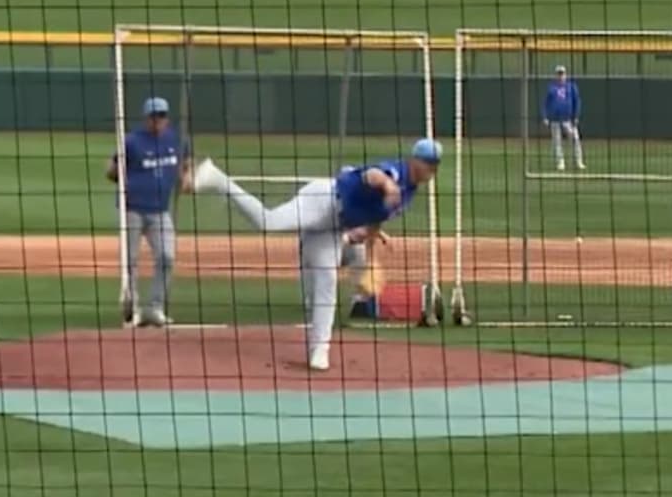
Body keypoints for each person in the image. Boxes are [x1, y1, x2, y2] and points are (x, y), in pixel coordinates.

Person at [191, 139, 440, 371]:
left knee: (327, 282)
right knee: (269, 221)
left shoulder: (409, 194)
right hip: (322, 200)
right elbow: (372, 175)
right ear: (413, 160)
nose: (431, 169)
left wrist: (369, 257)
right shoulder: (396, 172)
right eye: (427, 162)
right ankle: (217, 178)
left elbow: (373, 223)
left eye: (435, 164)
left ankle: (319, 351)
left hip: (334, 227)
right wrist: (387, 185)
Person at [105, 96, 191, 327]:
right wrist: (124, 179)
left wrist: (185, 179)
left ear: (167, 118)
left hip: (160, 211)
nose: (158, 120)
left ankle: (156, 308)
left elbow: (183, 167)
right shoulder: (131, 142)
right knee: (130, 261)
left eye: (161, 116)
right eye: (154, 116)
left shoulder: (178, 140)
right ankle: (132, 309)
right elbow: (111, 171)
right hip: (132, 209)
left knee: (167, 256)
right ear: (146, 118)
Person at [542, 65, 584, 171]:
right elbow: (546, 103)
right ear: (555, 75)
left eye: (562, 74)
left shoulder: (571, 86)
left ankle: (579, 161)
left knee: (575, 139)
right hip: (555, 120)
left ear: (565, 75)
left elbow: (577, 101)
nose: (560, 76)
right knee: (557, 142)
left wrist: (576, 116)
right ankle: (560, 163)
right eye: (559, 74)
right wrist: (545, 116)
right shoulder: (551, 88)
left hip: (568, 119)